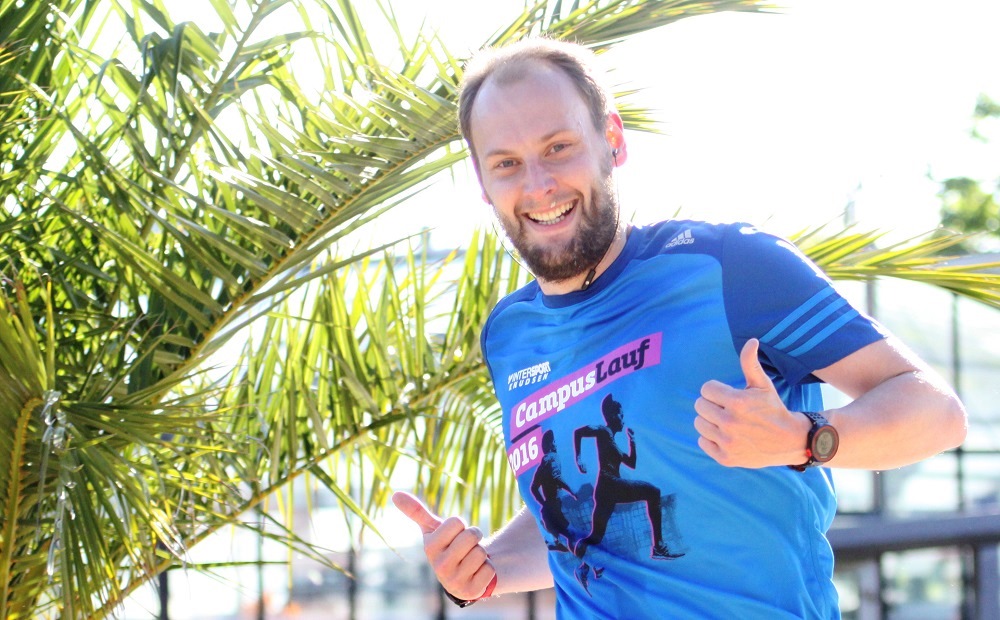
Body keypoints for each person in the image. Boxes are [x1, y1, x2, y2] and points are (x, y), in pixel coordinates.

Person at [392, 36, 967, 619]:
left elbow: (938, 414)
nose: (538, 184)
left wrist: (802, 438)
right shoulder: (510, 336)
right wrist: (487, 566)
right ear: (482, 181)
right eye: (507, 163)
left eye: (558, 147)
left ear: (612, 140)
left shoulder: (728, 267)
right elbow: (587, 524)